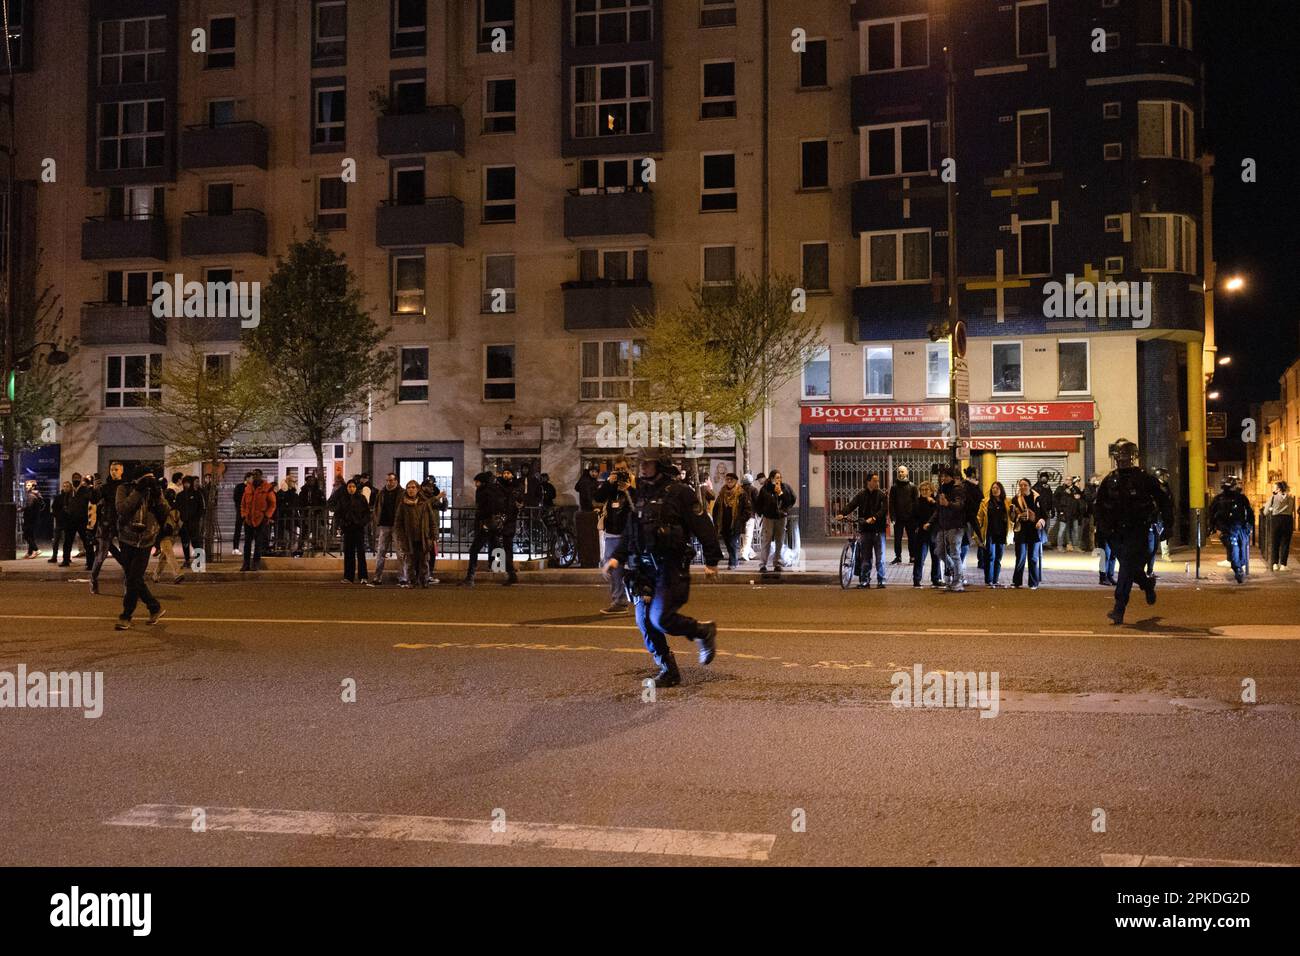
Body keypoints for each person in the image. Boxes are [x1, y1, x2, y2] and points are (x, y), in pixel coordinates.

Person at [605, 454, 720, 688]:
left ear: (662, 465)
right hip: (643, 570)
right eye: (642, 464)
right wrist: (617, 557)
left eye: (648, 463)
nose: (643, 468)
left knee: (660, 618)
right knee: (644, 622)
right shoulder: (641, 494)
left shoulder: (680, 492)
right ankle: (668, 670)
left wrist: (712, 559)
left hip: (670, 566)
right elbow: (631, 531)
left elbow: (703, 525)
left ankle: (703, 631)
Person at [1094, 439, 1166, 622]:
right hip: (1115, 533)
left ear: (1133, 457)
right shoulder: (1110, 480)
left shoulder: (1143, 478)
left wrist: (1168, 526)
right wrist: (1101, 530)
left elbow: (1163, 499)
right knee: (1132, 569)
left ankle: (1119, 608)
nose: (1122, 459)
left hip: (1138, 530)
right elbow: (1099, 506)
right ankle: (1147, 584)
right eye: (1119, 456)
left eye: (1126, 456)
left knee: (1126, 567)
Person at [113, 467, 169, 630]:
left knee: (132, 579)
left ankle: (126, 616)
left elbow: (164, 512)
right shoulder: (124, 488)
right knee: (133, 577)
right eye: (146, 479)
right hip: (126, 539)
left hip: (146, 541)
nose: (149, 482)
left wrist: (158, 495)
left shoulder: (154, 492)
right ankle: (154, 607)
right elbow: (122, 509)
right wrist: (138, 491)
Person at [594, 458, 635, 613]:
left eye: (623, 469)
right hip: (612, 532)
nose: (620, 472)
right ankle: (619, 601)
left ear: (629, 469)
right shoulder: (611, 484)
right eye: (617, 469)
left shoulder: (635, 483)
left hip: (630, 533)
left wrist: (629, 489)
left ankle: (642, 599)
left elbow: (640, 504)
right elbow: (598, 498)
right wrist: (608, 483)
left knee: (635, 566)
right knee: (612, 566)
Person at [837, 472, 887, 589]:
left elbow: (884, 510)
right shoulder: (861, 495)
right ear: (868, 481)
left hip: (878, 530)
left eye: (877, 481)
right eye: (875, 481)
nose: (877, 483)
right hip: (865, 530)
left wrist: (874, 518)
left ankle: (881, 580)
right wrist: (842, 513)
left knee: (880, 557)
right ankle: (864, 580)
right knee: (865, 557)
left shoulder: (881, 495)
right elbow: (851, 505)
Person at [462, 471, 511, 587]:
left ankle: (470, 577)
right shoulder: (496, 489)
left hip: (486, 524)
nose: (475, 484)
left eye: (477, 482)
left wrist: (480, 518)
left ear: (482, 482)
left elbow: (484, 509)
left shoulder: (483, 491)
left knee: (474, 550)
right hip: (495, 524)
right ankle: (511, 573)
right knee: (498, 547)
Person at [1207, 476, 1253, 584]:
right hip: (1227, 528)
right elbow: (1212, 514)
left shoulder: (1240, 498)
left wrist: (1248, 526)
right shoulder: (1220, 499)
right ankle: (1238, 569)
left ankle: (1239, 566)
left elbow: (1249, 512)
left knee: (1240, 547)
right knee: (1234, 547)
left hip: (1238, 527)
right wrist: (1214, 527)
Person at [394, 480, 436, 588]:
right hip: (408, 537)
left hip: (423, 537)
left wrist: (434, 536)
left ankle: (424, 581)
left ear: (417, 489)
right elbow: (398, 523)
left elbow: (432, 520)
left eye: (413, 487)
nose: (411, 490)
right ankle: (411, 581)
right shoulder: (403, 504)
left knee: (424, 560)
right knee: (410, 561)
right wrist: (401, 537)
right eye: (408, 487)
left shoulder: (424, 503)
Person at [755, 469, 795, 573]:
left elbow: (791, 500)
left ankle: (777, 562)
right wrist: (762, 513)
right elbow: (759, 503)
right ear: (771, 478)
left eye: (780, 477)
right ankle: (763, 564)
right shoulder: (765, 489)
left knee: (780, 540)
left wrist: (781, 493)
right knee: (766, 540)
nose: (779, 480)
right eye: (776, 478)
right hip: (769, 517)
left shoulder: (785, 487)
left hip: (781, 517)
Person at [934, 468, 967, 592]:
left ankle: (957, 582)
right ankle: (956, 570)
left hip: (955, 525)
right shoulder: (941, 489)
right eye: (943, 476)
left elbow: (959, 506)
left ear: (952, 477)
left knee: (955, 553)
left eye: (947, 476)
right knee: (939, 551)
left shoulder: (958, 490)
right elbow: (938, 508)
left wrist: (948, 503)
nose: (944, 478)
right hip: (942, 525)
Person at [334, 478, 371, 583]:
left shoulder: (361, 498)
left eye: (353, 486)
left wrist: (361, 523)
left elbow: (367, 514)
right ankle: (348, 577)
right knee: (348, 553)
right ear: (347, 488)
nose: (351, 489)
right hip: (348, 529)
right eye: (349, 487)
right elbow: (338, 514)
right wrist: (342, 524)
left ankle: (363, 576)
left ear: (356, 488)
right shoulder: (342, 499)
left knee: (361, 553)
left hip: (358, 529)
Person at [239, 469, 277, 572]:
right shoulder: (248, 488)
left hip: (261, 519)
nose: (255, 477)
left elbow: (272, 504)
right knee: (247, 543)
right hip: (249, 520)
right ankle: (246, 563)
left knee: (258, 543)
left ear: (261, 476)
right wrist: (243, 515)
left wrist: (267, 516)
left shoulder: (267, 488)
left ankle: (256, 563)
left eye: (257, 475)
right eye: (254, 475)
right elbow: (243, 504)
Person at [713, 473, 752, 571]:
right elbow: (717, 507)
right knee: (727, 542)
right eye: (727, 479)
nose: (729, 481)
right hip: (724, 522)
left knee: (733, 542)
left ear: (735, 481)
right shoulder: (722, 492)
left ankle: (733, 562)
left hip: (735, 523)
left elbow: (747, 509)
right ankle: (734, 560)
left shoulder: (741, 493)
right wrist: (716, 520)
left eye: (731, 479)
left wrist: (741, 520)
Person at [1010, 478, 1044, 590]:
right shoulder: (1016, 499)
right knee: (1020, 557)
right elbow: (1012, 518)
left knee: (1033, 558)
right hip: (1021, 531)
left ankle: (1033, 583)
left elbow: (1044, 514)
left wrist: (1040, 521)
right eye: (1021, 485)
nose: (1023, 487)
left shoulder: (1037, 498)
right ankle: (1017, 582)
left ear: (1030, 486)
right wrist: (1015, 514)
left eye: (1025, 485)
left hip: (1034, 531)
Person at [370, 472, 402, 586]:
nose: (389, 482)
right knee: (381, 552)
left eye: (391, 480)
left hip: (397, 526)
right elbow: (377, 506)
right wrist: (376, 518)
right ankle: (377, 577)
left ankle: (402, 577)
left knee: (400, 552)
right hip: (384, 525)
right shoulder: (382, 492)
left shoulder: (401, 493)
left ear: (396, 481)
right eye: (387, 480)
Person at [977, 481, 1010, 587]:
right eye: (993, 488)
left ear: (1001, 490)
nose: (995, 490)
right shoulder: (985, 502)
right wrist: (977, 532)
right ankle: (988, 581)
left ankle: (995, 580)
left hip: (1001, 532)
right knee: (990, 556)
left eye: (997, 488)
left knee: (998, 557)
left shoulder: (1007, 502)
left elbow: (1011, 517)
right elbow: (979, 517)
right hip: (989, 532)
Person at [497, 464, 524, 586]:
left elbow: (520, 500)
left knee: (507, 546)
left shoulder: (516, 487)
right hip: (499, 519)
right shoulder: (499, 486)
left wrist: (519, 505)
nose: (506, 475)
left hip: (509, 520)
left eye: (508, 473)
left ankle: (511, 573)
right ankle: (507, 571)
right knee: (501, 546)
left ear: (512, 475)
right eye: (505, 473)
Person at [912, 480, 942, 588]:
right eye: (922, 490)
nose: (924, 492)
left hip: (934, 533)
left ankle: (936, 579)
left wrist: (934, 502)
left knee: (936, 557)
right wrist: (918, 527)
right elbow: (913, 517)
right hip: (921, 533)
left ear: (931, 491)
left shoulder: (935, 502)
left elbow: (940, 513)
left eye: (926, 490)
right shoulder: (917, 502)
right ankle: (916, 580)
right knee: (920, 557)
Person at [152, 488, 185, 584]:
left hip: (165, 534)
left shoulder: (162, 506)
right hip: (172, 534)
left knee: (166, 555)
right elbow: (180, 522)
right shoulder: (176, 507)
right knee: (167, 555)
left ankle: (159, 575)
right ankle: (173, 574)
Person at [419, 477, 448, 584]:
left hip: (433, 528)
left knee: (432, 553)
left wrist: (444, 498)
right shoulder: (420, 496)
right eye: (428, 486)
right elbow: (426, 504)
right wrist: (437, 497)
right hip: (423, 529)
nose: (431, 489)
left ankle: (429, 574)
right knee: (423, 552)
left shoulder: (433, 497)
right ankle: (422, 575)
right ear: (423, 487)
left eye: (432, 487)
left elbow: (443, 508)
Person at [888, 466, 917, 565]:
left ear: (907, 473)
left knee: (912, 538)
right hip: (898, 518)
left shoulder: (912, 486)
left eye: (902, 472)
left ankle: (912, 557)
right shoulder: (894, 487)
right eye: (899, 472)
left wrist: (915, 517)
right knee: (897, 539)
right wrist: (892, 517)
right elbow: (891, 503)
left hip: (910, 518)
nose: (900, 473)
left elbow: (916, 502)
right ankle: (898, 557)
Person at [1147, 468, 1174, 576]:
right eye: (1165, 476)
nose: (1167, 478)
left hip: (1159, 520)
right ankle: (1146, 570)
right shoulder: (1155, 490)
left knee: (1154, 547)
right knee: (1150, 547)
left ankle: (1150, 570)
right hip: (1153, 521)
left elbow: (1168, 504)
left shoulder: (1166, 488)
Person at [66, 473, 96, 570]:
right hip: (71, 520)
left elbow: (92, 499)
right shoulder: (70, 491)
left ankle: (90, 563)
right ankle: (66, 560)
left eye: (77, 478)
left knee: (87, 542)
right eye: (74, 478)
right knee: (68, 541)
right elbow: (66, 502)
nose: (75, 480)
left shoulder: (85, 490)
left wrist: (91, 487)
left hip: (82, 520)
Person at [176, 475, 206, 568]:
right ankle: (187, 560)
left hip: (194, 522)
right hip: (183, 523)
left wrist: (197, 519)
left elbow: (201, 508)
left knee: (196, 542)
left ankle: (199, 561)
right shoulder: (180, 495)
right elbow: (177, 508)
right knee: (185, 542)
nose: (186, 485)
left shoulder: (197, 494)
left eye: (188, 482)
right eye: (185, 483)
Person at [1264, 481, 1294, 571]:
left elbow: (1265, 512)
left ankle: (1275, 564)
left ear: (1278, 489)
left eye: (1274, 487)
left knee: (1275, 542)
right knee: (1285, 543)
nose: (1273, 489)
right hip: (1288, 520)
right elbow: (1291, 509)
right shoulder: (1290, 498)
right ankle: (1283, 565)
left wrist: (1271, 509)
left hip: (1276, 520)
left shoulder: (1273, 498)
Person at [959, 466, 984, 572]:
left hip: (973, 517)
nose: (978, 474)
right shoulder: (968, 486)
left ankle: (980, 562)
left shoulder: (973, 485)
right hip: (968, 519)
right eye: (977, 472)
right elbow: (976, 500)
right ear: (973, 474)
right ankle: (958, 565)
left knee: (974, 540)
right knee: (965, 542)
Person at [1032, 471, 1057, 553]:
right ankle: (1038, 544)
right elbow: (1036, 498)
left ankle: (1043, 543)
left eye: (1046, 477)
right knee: (1040, 528)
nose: (1044, 478)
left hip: (1047, 511)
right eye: (1043, 477)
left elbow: (1051, 499)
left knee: (1046, 527)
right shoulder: (1036, 487)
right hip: (1039, 512)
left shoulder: (1048, 487)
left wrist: (1053, 510)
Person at [49, 480, 72, 565]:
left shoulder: (71, 497)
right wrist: (57, 515)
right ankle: (54, 556)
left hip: (68, 522)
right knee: (56, 540)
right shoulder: (58, 497)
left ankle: (66, 557)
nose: (66, 488)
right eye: (64, 486)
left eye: (67, 486)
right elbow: (54, 508)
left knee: (67, 541)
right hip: (60, 521)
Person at [21, 482, 46, 558]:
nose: (26, 487)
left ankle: (37, 550)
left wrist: (21, 509)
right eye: (26, 485)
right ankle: (29, 552)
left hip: (29, 519)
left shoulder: (31, 496)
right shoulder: (36, 495)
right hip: (34, 519)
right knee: (30, 535)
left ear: (33, 487)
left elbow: (29, 507)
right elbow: (42, 506)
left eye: (28, 485)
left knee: (26, 535)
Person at [231, 472, 252, 555]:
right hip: (241, 511)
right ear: (247, 478)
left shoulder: (252, 487)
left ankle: (247, 548)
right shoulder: (239, 487)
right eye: (251, 478)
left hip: (249, 512)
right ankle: (235, 548)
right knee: (238, 529)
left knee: (249, 531)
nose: (252, 480)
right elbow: (236, 498)